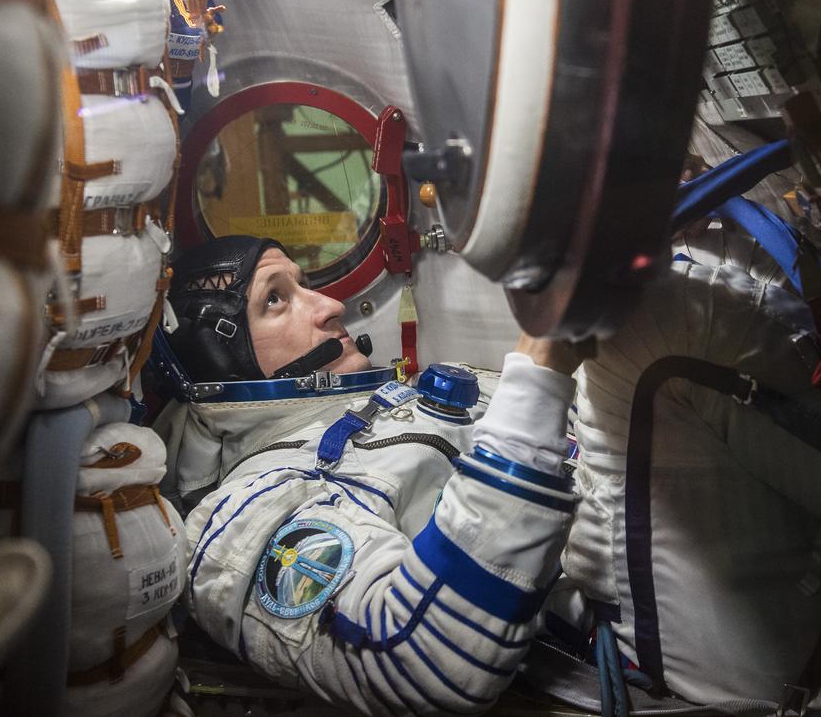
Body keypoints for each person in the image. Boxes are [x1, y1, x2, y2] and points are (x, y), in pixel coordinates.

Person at [155, 235, 587, 714]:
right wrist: (541, 366)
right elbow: (424, 664)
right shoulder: (243, 513)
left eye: (304, 284)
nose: (330, 304)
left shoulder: (415, 392)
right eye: (274, 300)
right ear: (216, 354)